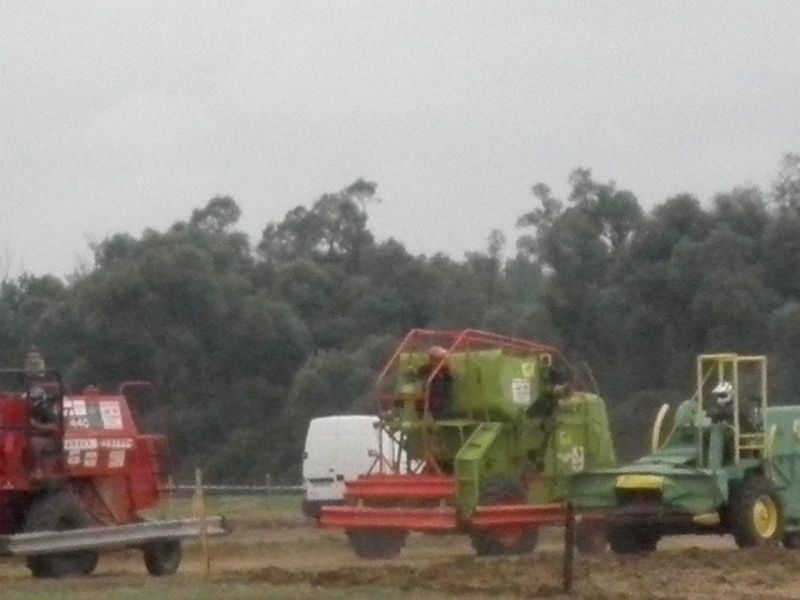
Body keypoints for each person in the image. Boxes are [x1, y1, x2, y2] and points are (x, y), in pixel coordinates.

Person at [417, 346, 454, 419]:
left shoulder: (446, 372)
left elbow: (448, 390)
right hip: (423, 397)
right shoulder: (423, 369)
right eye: (438, 359)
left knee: (437, 404)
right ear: (431, 359)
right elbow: (418, 382)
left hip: (440, 400)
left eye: (442, 359)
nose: (441, 362)